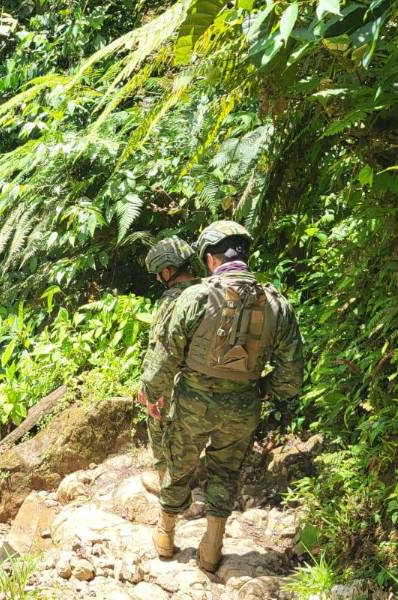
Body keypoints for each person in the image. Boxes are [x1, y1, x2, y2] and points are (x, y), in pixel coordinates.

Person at [140, 220, 304, 572]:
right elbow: (291, 379)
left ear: (210, 259)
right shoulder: (277, 303)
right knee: (225, 473)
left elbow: (167, 353)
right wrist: (259, 388)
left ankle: (166, 536)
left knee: (179, 465)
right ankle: (212, 547)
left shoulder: (195, 296)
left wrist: (151, 393)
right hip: (243, 406)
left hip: (193, 402)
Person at [138, 236, 200, 495]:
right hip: (212, 382)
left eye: (158, 273)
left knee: (156, 420)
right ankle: (194, 471)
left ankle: (167, 481)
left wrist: (149, 390)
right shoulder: (210, 291)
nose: (157, 279)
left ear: (168, 270)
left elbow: (162, 349)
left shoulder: (172, 300)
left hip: (178, 383)